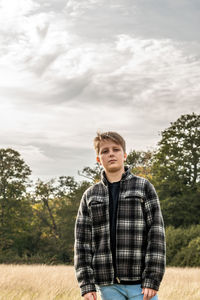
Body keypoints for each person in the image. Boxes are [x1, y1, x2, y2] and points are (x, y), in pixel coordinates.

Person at [74, 131, 166, 300]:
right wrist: (86, 285)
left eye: (115, 149)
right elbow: (82, 244)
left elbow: (157, 235)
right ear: (98, 159)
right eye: (105, 151)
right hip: (107, 286)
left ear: (124, 155)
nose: (111, 154)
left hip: (141, 285)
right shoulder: (90, 195)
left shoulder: (143, 187)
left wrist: (152, 279)